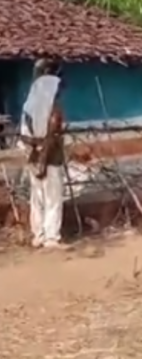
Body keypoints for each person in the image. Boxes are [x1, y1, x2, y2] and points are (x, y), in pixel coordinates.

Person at [21, 60, 66, 249]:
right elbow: (52, 135)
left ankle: (38, 235)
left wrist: (34, 152)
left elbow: (24, 136)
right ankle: (51, 238)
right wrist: (44, 158)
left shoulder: (27, 108)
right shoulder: (54, 109)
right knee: (53, 198)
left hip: (32, 155)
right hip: (51, 158)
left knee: (37, 197)